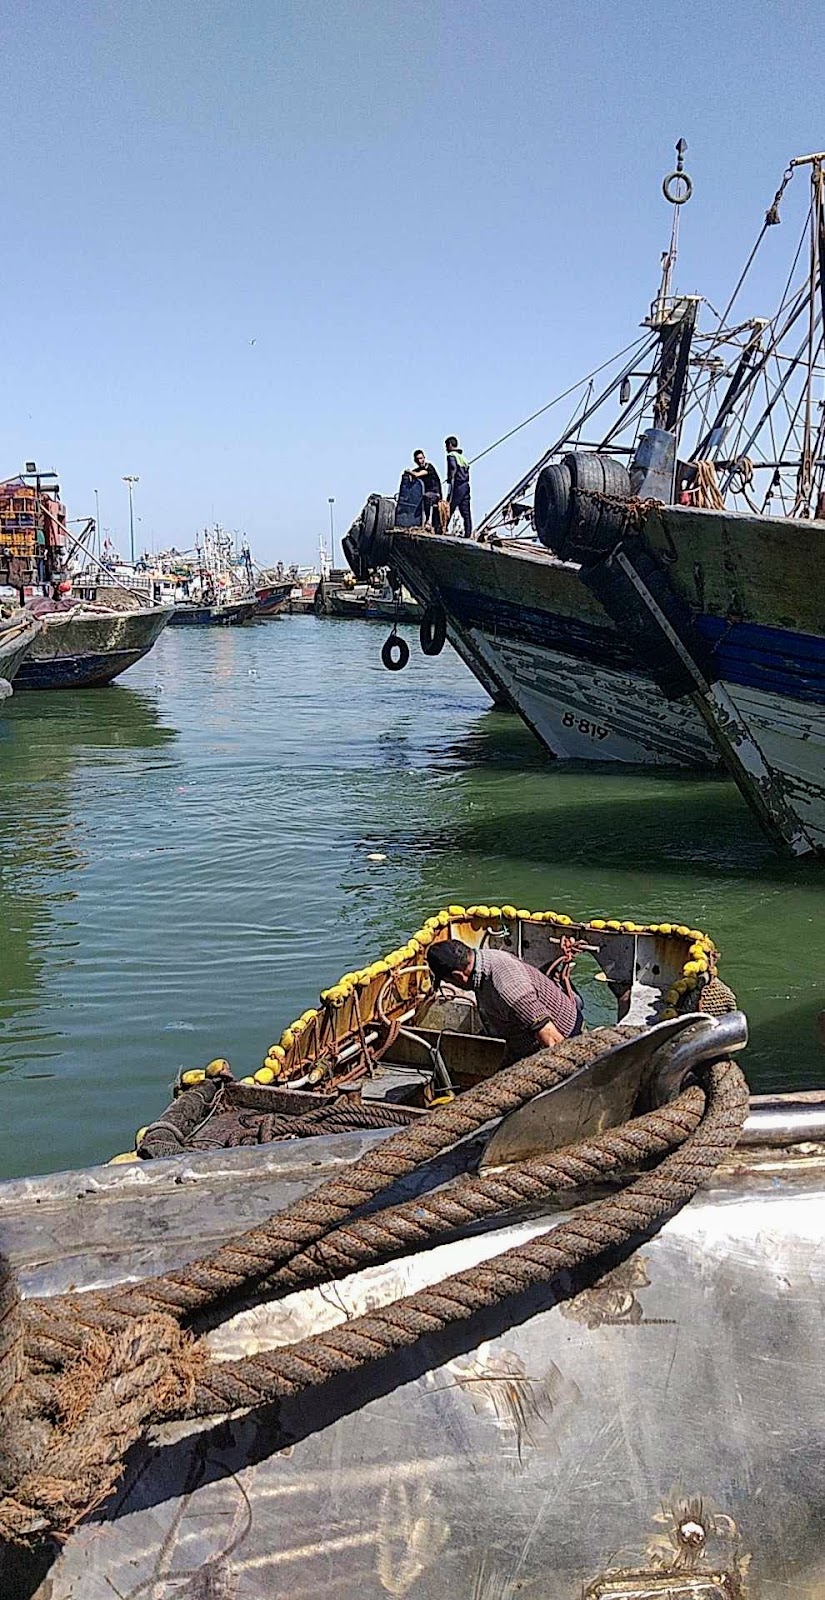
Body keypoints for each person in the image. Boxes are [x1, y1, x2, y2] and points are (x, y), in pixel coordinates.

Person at [426, 939, 583, 1064]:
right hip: (521, 1040)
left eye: (448, 981)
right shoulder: (485, 958)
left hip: (565, 1036)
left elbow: (553, 1041)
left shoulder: (508, 989)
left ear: (458, 977)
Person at [408, 449, 444, 533]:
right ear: (415, 461)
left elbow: (418, 474)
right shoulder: (417, 469)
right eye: (418, 459)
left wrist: (409, 472)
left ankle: (428, 522)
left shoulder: (429, 467)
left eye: (421, 458)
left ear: (424, 458)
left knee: (427, 497)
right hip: (426, 494)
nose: (420, 461)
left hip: (435, 494)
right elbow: (414, 474)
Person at [445, 436, 472, 538]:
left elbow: (452, 467)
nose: (446, 448)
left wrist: (450, 478)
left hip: (458, 485)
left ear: (450, 445)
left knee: (449, 507)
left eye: (446, 446)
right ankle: (468, 534)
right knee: (466, 511)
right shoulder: (463, 458)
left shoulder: (451, 455)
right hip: (466, 485)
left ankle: (442, 528)